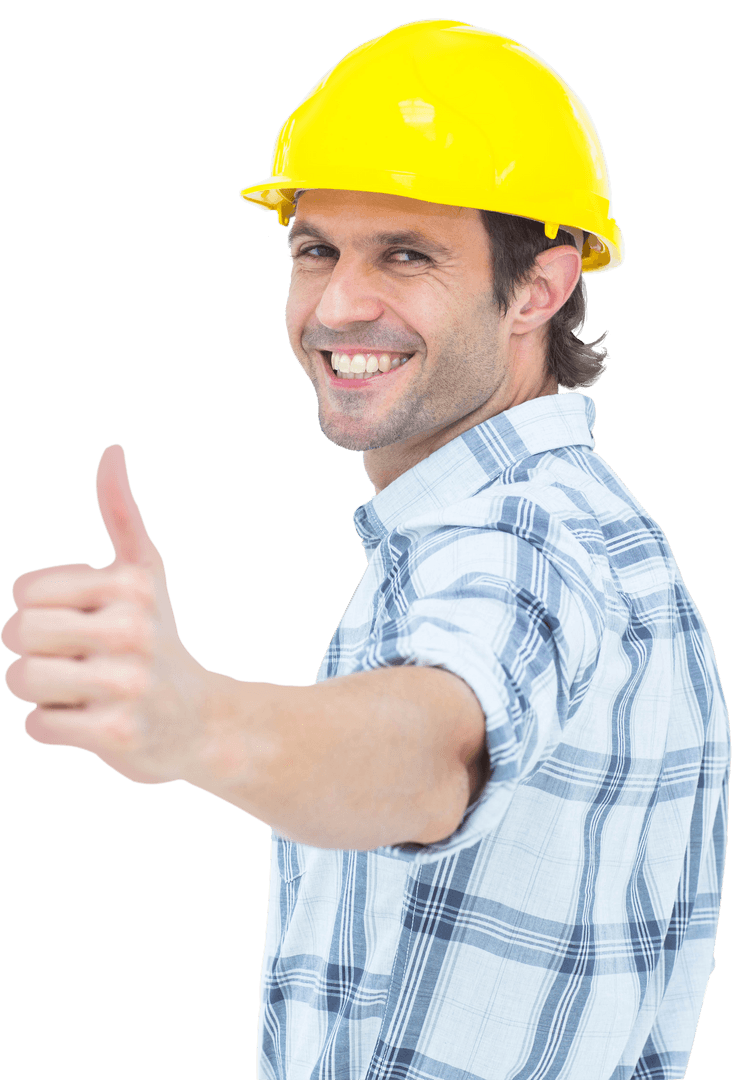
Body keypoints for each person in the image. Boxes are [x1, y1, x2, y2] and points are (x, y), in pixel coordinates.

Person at [1, 19, 728, 1080]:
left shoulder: (530, 537)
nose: (340, 304)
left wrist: (199, 722)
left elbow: (433, 752)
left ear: (541, 286)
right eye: (317, 251)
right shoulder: (482, 530)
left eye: (407, 254)